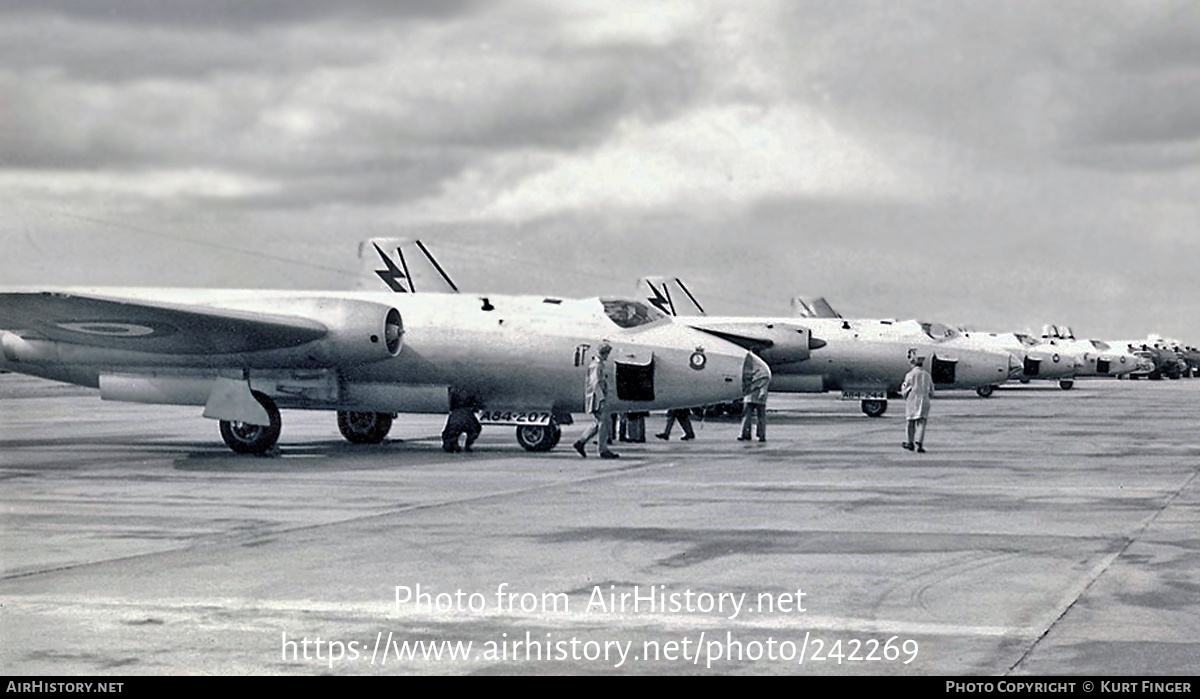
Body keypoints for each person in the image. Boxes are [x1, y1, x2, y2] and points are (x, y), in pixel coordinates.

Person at [573, 342, 619, 459]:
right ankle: (602, 450)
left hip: (597, 397)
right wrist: (601, 398)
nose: (607, 356)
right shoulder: (596, 365)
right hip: (596, 398)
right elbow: (595, 383)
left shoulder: (599, 364)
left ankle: (581, 442)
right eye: (607, 353)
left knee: (599, 423)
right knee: (604, 422)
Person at [900, 353, 934, 453]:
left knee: (910, 422)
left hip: (912, 400)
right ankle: (919, 443)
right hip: (924, 400)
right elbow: (932, 391)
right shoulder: (927, 375)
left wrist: (904, 395)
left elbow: (905, 388)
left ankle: (910, 442)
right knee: (922, 422)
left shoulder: (909, 375)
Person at [738, 359, 771, 442]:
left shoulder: (748, 369)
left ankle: (745, 434)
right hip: (758, 397)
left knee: (747, 416)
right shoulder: (763, 370)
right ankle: (761, 435)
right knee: (760, 417)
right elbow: (765, 381)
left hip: (750, 396)